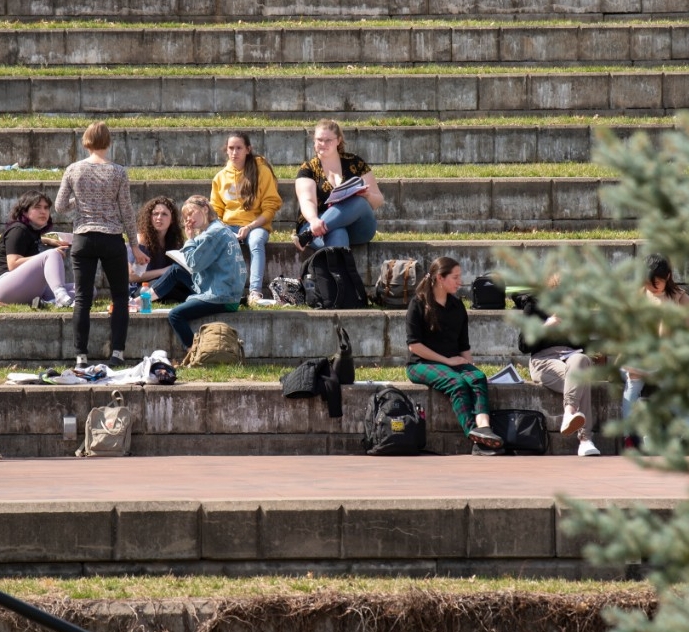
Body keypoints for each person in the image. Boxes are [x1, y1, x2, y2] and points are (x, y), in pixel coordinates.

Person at [54, 121, 148, 369]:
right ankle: (117, 352)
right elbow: (127, 211)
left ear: (86, 141)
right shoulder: (118, 172)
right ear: (108, 142)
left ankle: (80, 356)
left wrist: (79, 199)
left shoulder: (73, 170)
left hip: (83, 237)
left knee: (83, 298)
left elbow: (60, 206)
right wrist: (135, 247)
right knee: (119, 296)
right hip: (111, 238)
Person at [405, 256, 500, 455]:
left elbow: (463, 346)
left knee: (477, 377)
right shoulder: (418, 304)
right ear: (440, 278)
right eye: (455, 277)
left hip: (452, 362)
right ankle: (472, 433)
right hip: (421, 364)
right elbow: (414, 346)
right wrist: (447, 361)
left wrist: (470, 367)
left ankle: (484, 428)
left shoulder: (457, 307)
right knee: (456, 383)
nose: (460, 282)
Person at [518, 275, 600, 457]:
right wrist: (547, 325)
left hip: (571, 358)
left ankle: (569, 413)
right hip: (544, 360)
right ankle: (585, 439)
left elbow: (584, 346)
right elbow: (523, 345)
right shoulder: (534, 307)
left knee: (582, 360)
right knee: (581, 379)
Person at [622, 254, 689, 421]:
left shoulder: (684, 302)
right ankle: (629, 437)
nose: (651, 287)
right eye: (647, 283)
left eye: (656, 283)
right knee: (633, 379)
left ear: (668, 276)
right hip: (637, 360)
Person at [167, 196, 246, 351]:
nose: (189, 219)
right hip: (227, 290)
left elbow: (194, 264)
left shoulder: (212, 234)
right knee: (175, 271)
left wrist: (189, 239)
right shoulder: (221, 229)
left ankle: (193, 352)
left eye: (191, 213)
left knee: (175, 315)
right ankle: (144, 296)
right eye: (186, 216)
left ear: (205, 209)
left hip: (222, 297)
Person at [210, 132, 281, 303]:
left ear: (248, 150)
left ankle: (255, 292)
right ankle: (222, 289)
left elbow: (270, 207)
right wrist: (219, 226)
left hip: (256, 225)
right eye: (231, 148)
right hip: (228, 224)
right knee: (215, 239)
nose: (235, 152)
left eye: (239, 148)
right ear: (226, 150)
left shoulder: (262, 171)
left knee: (256, 242)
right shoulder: (220, 177)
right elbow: (215, 210)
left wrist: (249, 227)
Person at [293, 118, 384, 252]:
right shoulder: (308, 169)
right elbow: (307, 201)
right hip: (314, 224)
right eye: (319, 140)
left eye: (328, 140)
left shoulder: (355, 163)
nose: (323, 144)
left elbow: (378, 201)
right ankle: (339, 273)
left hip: (357, 228)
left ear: (338, 140)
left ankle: (308, 236)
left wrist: (368, 195)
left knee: (359, 202)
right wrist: (313, 220)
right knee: (338, 232)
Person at [0, 191, 74, 307]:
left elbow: (31, 241)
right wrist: (47, 256)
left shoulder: (32, 232)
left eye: (46, 208)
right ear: (24, 211)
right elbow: (13, 264)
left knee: (86, 289)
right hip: (5, 288)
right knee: (52, 254)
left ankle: (48, 303)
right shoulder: (18, 230)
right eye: (37, 207)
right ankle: (59, 295)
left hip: (28, 288)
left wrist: (48, 240)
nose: (43, 212)